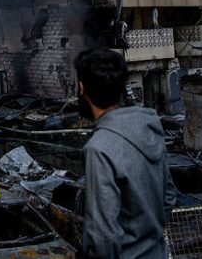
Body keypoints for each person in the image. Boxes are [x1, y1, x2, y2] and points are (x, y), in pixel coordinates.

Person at [75, 47, 177, 259]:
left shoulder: (99, 147)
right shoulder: (149, 126)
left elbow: (102, 235)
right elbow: (168, 197)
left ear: (82, 88)